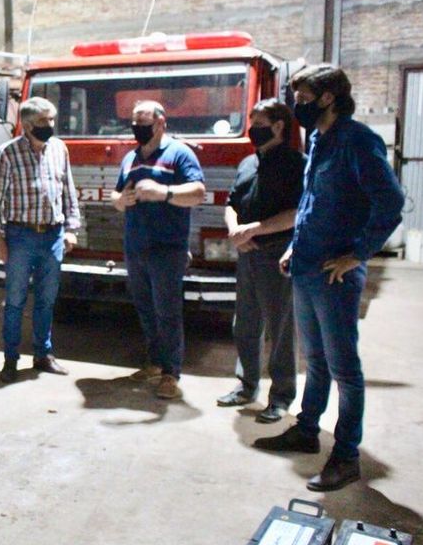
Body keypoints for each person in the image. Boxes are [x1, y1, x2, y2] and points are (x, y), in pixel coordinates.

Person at [254, 64, 404, 492]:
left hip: (333, 274)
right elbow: (312, 201)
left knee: (344, 368)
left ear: (328, 97)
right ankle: (306, 430)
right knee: (315, 362)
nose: (296, 106)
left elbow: (390, 202)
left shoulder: (358, 141)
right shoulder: (318, 139)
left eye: (302, 98)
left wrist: (357, 254)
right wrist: (293, 245)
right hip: (305, 265)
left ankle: (346, 455)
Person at [216, 100, 305, 423]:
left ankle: (281, 397)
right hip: (247, 255)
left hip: (276, 255)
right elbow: (231, 203)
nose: (252, 128)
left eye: (258, 122)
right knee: (246, 325)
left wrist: (256, 229)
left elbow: (298, 213)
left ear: (279, 126)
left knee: (280, 330)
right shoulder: (248, 164)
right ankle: (246, 386)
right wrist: (234, 230)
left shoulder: (296, 164)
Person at [111, 101, 206, 400]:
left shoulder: (179, 154)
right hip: (135, 246)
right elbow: (116, 194)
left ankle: (171, 374)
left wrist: (163, 192)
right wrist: (120, 200)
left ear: (161, 123)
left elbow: (198, 193)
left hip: (167, 248)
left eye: (144, 122)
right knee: (146, 309)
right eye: (134, 122)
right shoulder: (131, 157)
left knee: (168, 312)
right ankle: (155, 362)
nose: (138, 128)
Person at [0, 96, 81, 384]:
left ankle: (43, 354)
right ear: (26, 125)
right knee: (15, 300)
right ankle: (11, 359)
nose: (49, 126)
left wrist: (72, 227)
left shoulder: (59, 149)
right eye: (43, 122)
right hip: (20, 237)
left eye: (52, 120)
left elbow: (68, 192)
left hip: (53, 235)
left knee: (46, 300)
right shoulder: (7, 153)